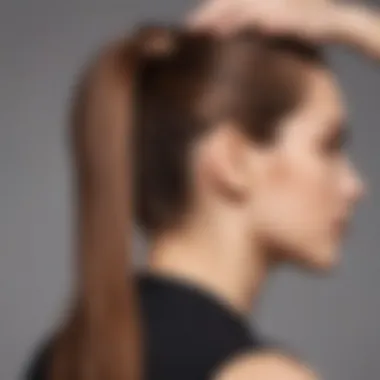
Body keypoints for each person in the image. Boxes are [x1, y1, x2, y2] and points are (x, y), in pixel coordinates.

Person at [25, 1, 380, 380]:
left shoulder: (61, 356)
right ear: (233, 162)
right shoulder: (260, 375)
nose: (355, 186)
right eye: (328, 146)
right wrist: (353, 26)